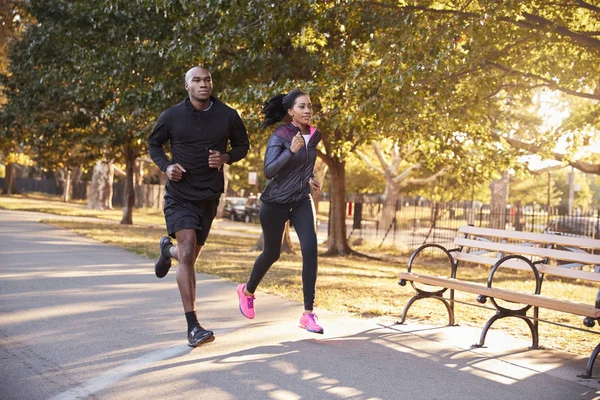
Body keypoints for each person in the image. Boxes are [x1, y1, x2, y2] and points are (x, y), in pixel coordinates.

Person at [148, 66, 250, 347]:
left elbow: (243, 146)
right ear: (187, 86)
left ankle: (167, 250)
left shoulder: (228, 115)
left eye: (207, 80)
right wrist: (167, 167)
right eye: (197, 80)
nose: (203, 84)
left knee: (187, 257)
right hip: (180, 195)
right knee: (189, 248)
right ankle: (193, 326)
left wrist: (226, 157)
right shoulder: (172, 116)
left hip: (209, 196)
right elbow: (154, 144)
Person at [236, 89, 324, 334]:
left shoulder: (315, 135)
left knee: (310, 249)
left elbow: (304, 165)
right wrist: (290, 151)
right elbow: (269, 171)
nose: (307, 111)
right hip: (274, 202)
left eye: (309, 106)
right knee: (272, 253)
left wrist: (310, 178)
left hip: (301, 200)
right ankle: (247, 290)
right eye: (301, 107)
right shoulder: (281, 135)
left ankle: (308, 313)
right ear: (290, 112)